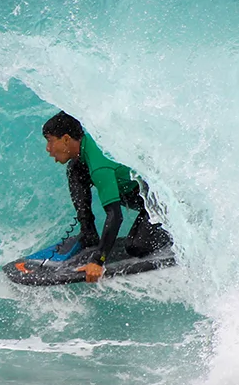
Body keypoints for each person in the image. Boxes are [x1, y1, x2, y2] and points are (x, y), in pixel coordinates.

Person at [42, 111, 171, 283]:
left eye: (50, 141)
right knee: (75, 169)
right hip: (138, 192)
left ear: (66, 139)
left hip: (161, 200)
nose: (48, 149)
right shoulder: (86, 147)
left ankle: (172, 236)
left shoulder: (98, 166)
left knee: (137, 246)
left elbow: (115, 216)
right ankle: (89, 235)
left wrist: (98, 261)